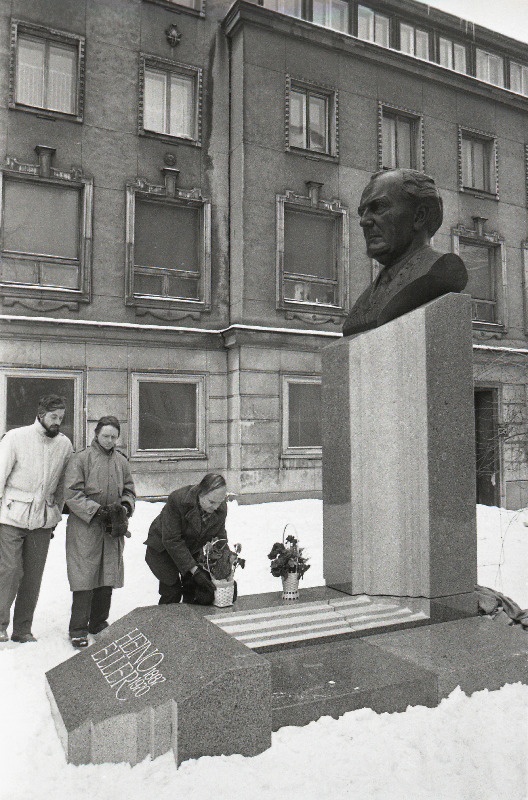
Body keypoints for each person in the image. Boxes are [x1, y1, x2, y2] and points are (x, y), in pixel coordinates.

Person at [342, 168, 468, 337]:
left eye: (378, 207)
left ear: (419, 216)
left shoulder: (442, 268)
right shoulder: (371, 293)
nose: (364, 221)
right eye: (362, 212)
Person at [0, 394, 73, 643]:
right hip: (11, 516)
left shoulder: (65, 445)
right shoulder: (15, 438)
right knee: (10, 571)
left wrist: (54, 515)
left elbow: (63, 485)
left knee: (33, 576)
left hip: (42, 520)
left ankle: (22, 629)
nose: (57, 422)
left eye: (61, 418)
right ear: (40, 415)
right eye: (53, 417)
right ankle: (0, 625)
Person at [64, 415, 136, 648]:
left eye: (114, 436)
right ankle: (78, 629)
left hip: (112, 529)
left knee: (107, 575)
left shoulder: (122, 462)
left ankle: (98, 623)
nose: (109, 440)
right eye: (105, 435)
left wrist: (124, 507)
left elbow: (130, 489)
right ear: (96, 434)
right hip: (86, 528)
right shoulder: (81, 459)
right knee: (84, 576)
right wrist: (97, 511)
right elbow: (72, 494)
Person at [144, 473, 228, 606]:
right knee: (172, 591)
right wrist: (194, 570)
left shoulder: (219, 508)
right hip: (163, 548)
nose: (216, 507)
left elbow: (219, 539)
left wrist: (224, 570)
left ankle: (191, 624)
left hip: (191, 549)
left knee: (196, 590)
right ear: (201, 493)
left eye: (220, 501)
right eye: (212, 502)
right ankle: (164, 624)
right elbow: (171, 539)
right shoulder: (178, 500)